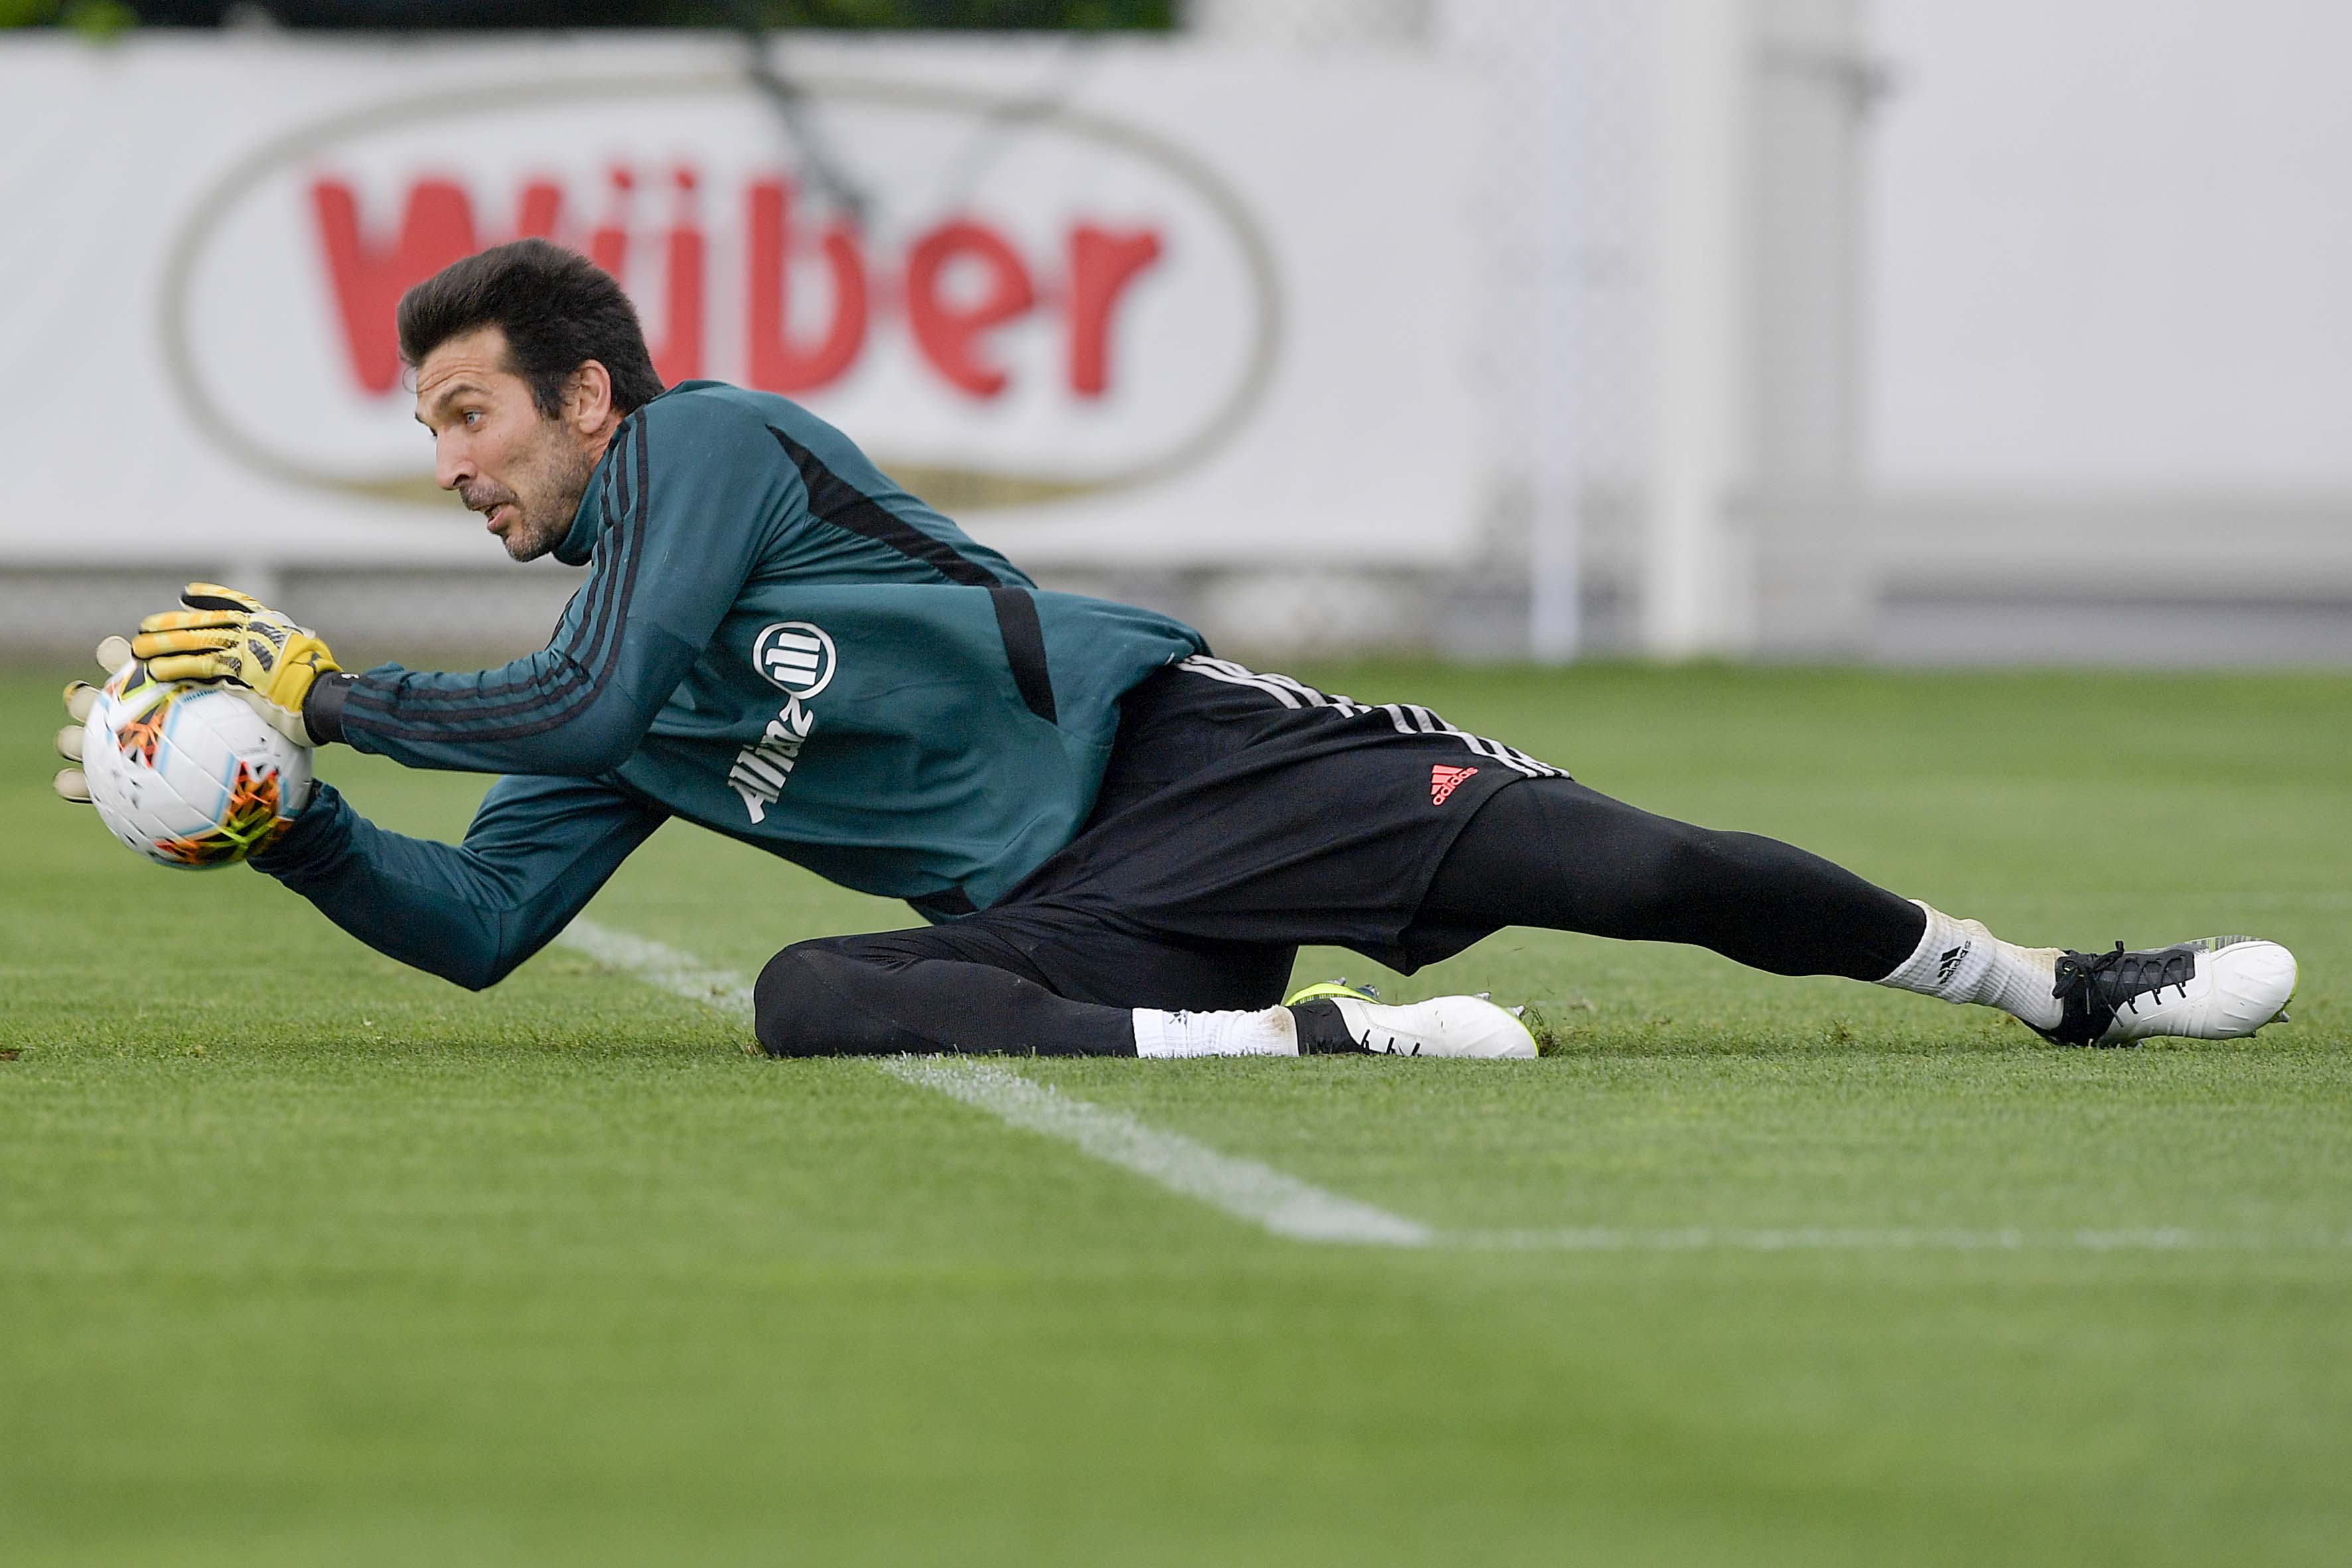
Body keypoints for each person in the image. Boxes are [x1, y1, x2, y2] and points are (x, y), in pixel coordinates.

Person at [52, 239, 2298, 1061]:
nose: (450, 462)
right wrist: (287, 819)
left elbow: (599, 700)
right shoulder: (586, 670)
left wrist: (321, 685)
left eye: (470, 414)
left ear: (587, 399)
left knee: (1651, 871)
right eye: (427, 429)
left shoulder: (711, 446)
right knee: (813, 999)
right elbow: (475, 928)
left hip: (1194, 757)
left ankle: (2048, 985)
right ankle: (1314, 1045)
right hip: (1076, 911)